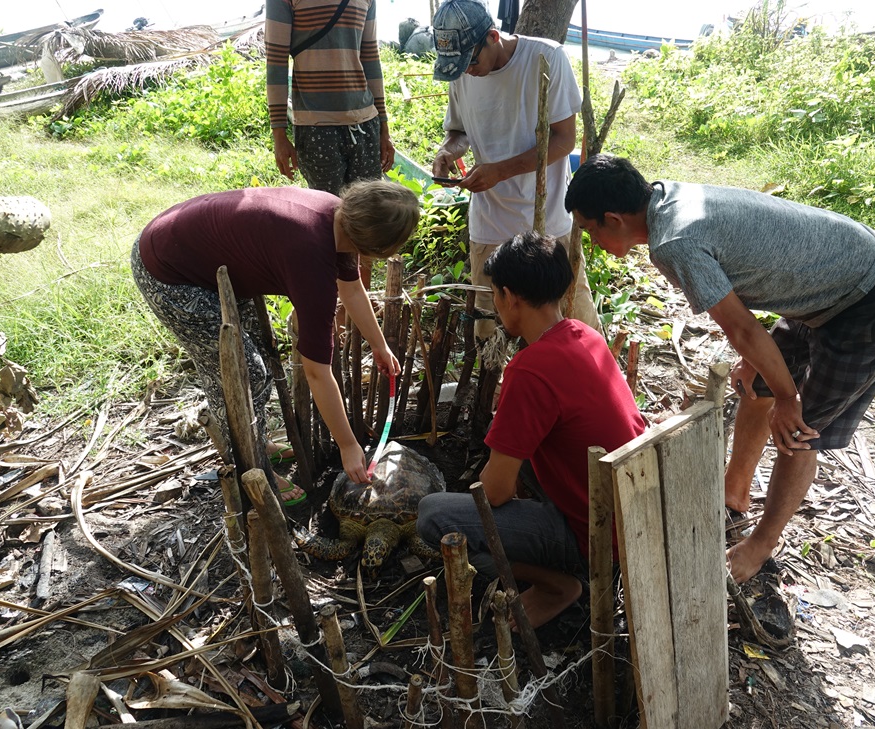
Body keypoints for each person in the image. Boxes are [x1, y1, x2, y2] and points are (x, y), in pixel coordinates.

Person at [564, 154, 875, 583]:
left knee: (799, 431)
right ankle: (734, 490)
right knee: (757, 380)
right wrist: (764, 373)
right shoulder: (665, 196)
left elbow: (741, 328)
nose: (591, 240)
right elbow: (746, 287)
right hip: (832, 283)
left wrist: (788, 398)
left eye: (591, 230)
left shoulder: (673, 244)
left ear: (614, 218)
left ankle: (761, 544)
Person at [132, 181, 420, 502]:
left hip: (197, 253)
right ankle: (251, 470)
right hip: (169, 271)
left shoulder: (338, 218)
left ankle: (256, 443)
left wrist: (379, 345)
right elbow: (316, 372)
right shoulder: (311, 257)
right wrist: (348, 445)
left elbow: (352, 289)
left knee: (260, 359)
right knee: (241, 373)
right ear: (378, 247)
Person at [416, 231, 647, 629]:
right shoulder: (585, 334)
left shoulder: (529, 369)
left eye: (494, 295)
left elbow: (495, 492)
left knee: (432, 514)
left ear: (509, 296)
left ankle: (561, 584)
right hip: (629, 513)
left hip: (596, 539)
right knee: (517, 455)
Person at [428, 0, 600, 341]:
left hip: (546, 217)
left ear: (492, 36)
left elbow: (565, 140)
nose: (466, 71)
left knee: (574, 319)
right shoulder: (463, 72)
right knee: (489, 328)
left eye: (470, 61)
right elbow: (459, 131)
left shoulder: (546, 59)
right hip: (490, 222)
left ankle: (593, 384)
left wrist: (501, 171)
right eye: (457, 65)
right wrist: (448, 149)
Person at [265, 0, 396, 286]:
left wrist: (384, 126)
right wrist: (279, 133)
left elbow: (370, 56)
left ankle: (360, 300)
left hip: (366, 123)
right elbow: (276, 61)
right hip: (315, 128)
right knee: (328, 223)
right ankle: (334, 303)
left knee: (368, 219)